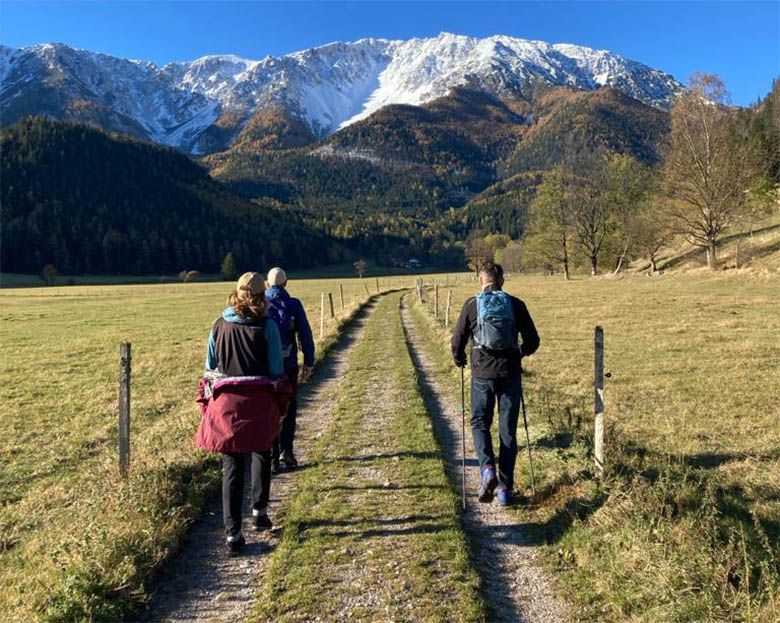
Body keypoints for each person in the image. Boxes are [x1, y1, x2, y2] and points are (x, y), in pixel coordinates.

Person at [204, 271, 284, 553]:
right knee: (263, 452)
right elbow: (276, 370)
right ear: (262, 296)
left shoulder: (218, 324)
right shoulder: (268, 327)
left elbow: (210, 367)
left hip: (227, 408)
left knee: (232, 467)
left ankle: (232, 534)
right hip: (259, 404)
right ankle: (259, 511)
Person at [451, 261, 540, 506]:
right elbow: (533, 340)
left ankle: (487, 469)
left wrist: (459, 359)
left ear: (481, 281)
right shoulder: (516, 304)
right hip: (510, 373)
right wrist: (519, 353)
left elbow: (457, 339)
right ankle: (504, 490)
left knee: (480, 422)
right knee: (508, 430)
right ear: (502, 281)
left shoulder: (472, 304)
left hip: (482, 374)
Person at [265, 267, 315, 472]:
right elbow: (305, 334)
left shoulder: (261, 305)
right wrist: (309, 362)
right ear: (286, 283)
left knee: (269, 409)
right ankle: (288, 451)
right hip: (289, 366)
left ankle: (272, 457)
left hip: (266, 368)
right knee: (290, 407)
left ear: (267, 284)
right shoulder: (294, 304)